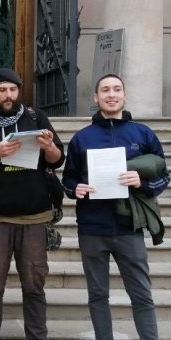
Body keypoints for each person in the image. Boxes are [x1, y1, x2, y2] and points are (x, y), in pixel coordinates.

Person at [0, 68, 65, 340]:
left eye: (13, 89)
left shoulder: (36, 118)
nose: (8, 95)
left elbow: (57, 159)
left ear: (19, 91)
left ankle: (37, 336)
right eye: (2, 90)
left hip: (34, 220)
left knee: (34, 285)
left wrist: (49, 147)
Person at [62, 74, 169, 340]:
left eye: (117, 89)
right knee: (98, 296)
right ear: (96, 97)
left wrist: (142, 183)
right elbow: (68, 180)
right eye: (106, 90)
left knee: (142, 295)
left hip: (129, 228)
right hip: (91, 228)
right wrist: (75, 189)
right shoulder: (81, 138)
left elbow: (163, 176)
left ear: (124, 95)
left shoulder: (142, 133)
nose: (112, 94)